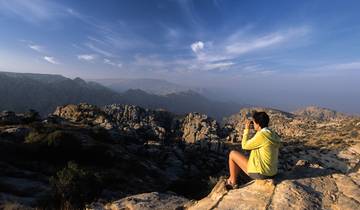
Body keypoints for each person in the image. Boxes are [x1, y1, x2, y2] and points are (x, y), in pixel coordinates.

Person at [226, 111, 281, 190]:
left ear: (258, 124)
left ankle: (232, 182)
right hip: (272, 172)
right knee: (245, 158)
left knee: (232, 154)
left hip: (261, 173)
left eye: (254, 122)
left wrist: (246, 130)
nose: (253, 124)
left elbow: (244, 146)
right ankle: (231, 179)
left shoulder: (261, 135)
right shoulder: (272, 134)